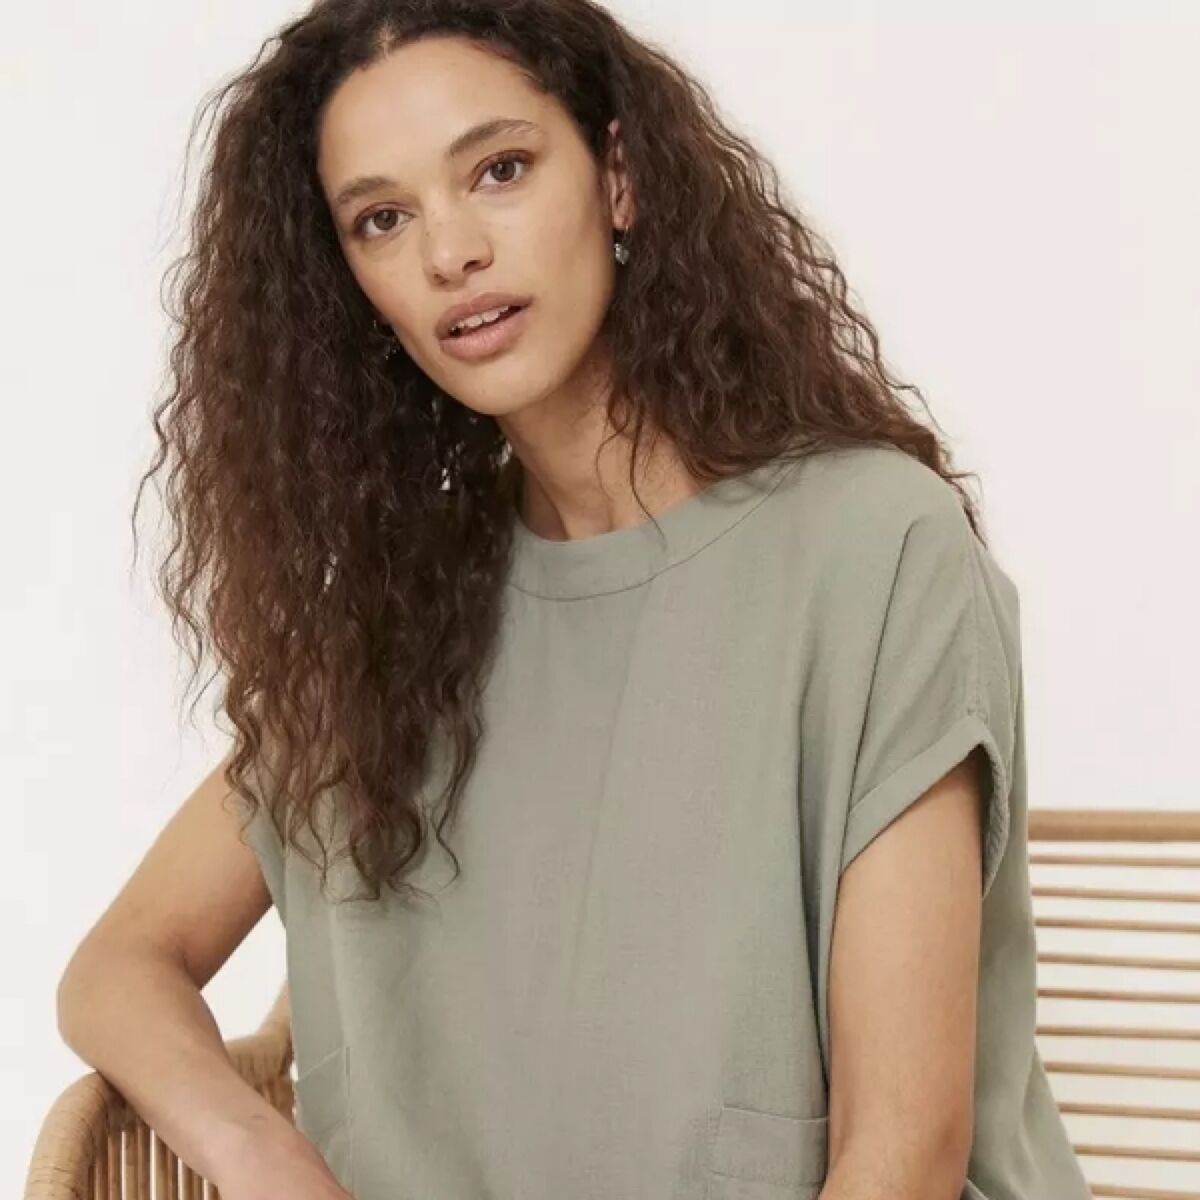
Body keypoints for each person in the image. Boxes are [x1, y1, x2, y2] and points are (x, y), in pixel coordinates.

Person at [56, 2, 1095, 1199]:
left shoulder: (873, 548)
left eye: (499, 169)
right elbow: (120, 965)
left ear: (619, 179)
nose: (451, 253)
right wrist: (263, 1154)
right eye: (383, 218)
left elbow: (901, 1155)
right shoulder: (395, 616)